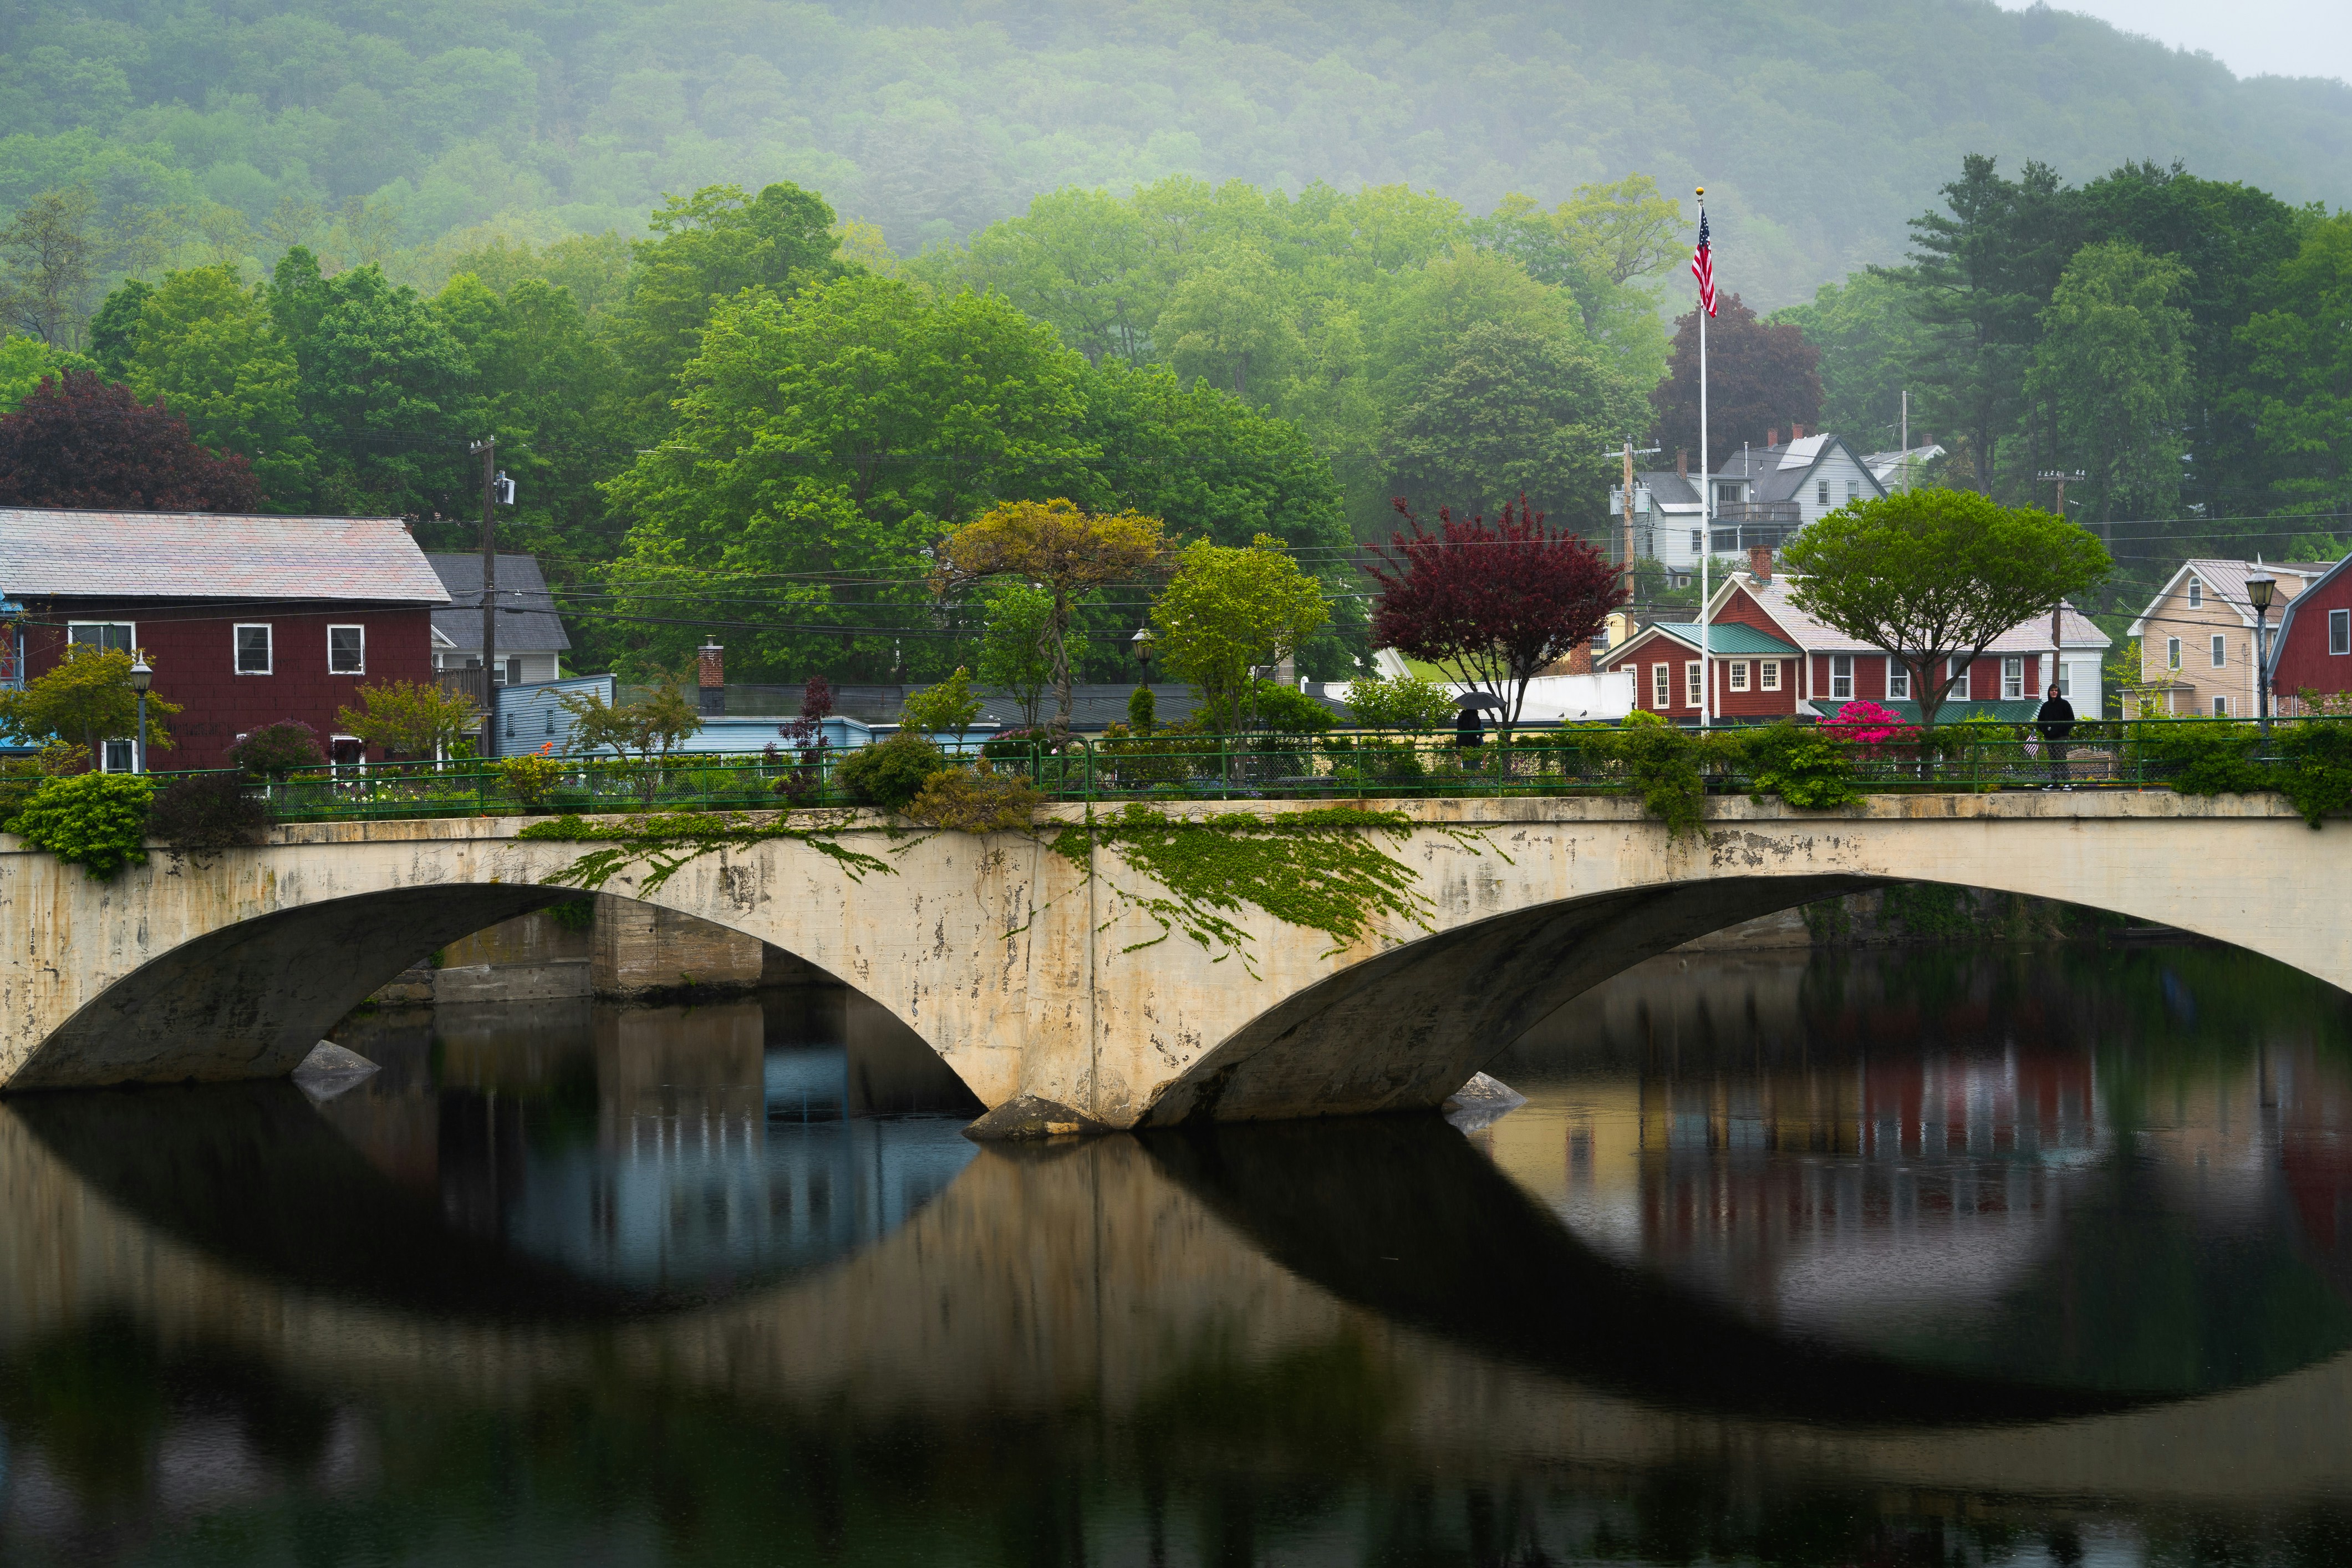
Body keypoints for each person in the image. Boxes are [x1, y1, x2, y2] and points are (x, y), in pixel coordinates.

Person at [2035, 684, 2076, 786]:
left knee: (2061, 758)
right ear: (2049, 692)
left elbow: (2071, 721)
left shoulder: (2065, 704)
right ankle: (2055, 782)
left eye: (2056, 690)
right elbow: (2039, 722)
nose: (2054, 692)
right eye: (2052, 690)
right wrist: (2046, 731)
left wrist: (2059, 730)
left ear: (2059, 692)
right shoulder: (2045, 706)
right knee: (2053, 759)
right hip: (2049, 738)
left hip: (2062, 737)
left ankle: (2067, 782)